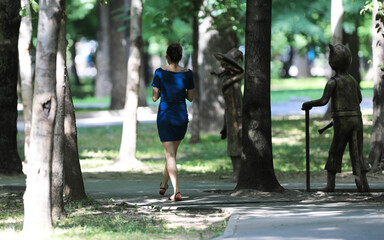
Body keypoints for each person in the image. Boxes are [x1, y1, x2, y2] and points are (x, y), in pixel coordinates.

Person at [302, 44, 370, 192]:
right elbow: (358, 99)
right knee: (357, 151)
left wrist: (308, 104)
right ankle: (362, 181)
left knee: (335, 150)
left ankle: (330, 184)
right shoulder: (352, 80)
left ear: (332, 61)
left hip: (342, 121)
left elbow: (323, 101)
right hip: (357, 119)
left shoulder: (333, 82)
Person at [152, 43, 194, 201]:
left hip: (165, 116)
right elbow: (190, 97)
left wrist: (165, 89)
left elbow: (154, 97)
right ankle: (164, 184)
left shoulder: (160, 73)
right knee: (172, 154)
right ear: (181, 56)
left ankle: (176, 190)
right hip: (181, 116)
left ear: (167, 56)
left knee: (170, 156)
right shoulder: (188, 74)